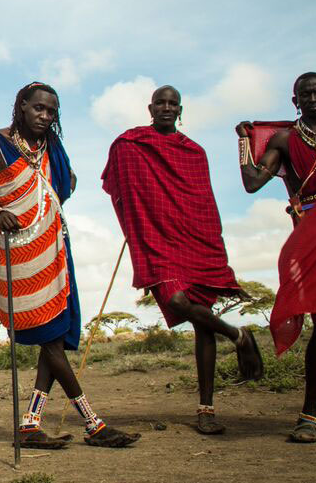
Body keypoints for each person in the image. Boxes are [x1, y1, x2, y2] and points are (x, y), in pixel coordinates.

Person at [0, 82, 139, 449]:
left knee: (53, 336)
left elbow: (67, 181)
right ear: (21, 106)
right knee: (49, 340)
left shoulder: (51, 145)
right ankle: (93, 424)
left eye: (51, 112)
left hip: (53, 244)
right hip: (18, 250)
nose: (45, 116)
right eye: (39, 109)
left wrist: (50, 192)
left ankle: (30, 424)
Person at [102, 85, 263, 434]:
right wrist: (133, 215)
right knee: (177, 299)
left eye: (172, 103)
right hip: (157, 238)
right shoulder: (131, 144)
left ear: (180, 110)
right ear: (150, 107)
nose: (166, 107)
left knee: (203, 325)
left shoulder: (194, 152)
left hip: (195, 238)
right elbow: (119, 182)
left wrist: (212, 244)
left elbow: (202, 200)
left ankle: (206, 410)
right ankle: (239, 336)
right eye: (160, 102)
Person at [238, 72, 316, 443]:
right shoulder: (286, 140)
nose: (312, 98)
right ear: (295, 101)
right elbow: (251, 183)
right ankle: (308, 416)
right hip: (313, 236)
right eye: (304, 94)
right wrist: (245, 144)